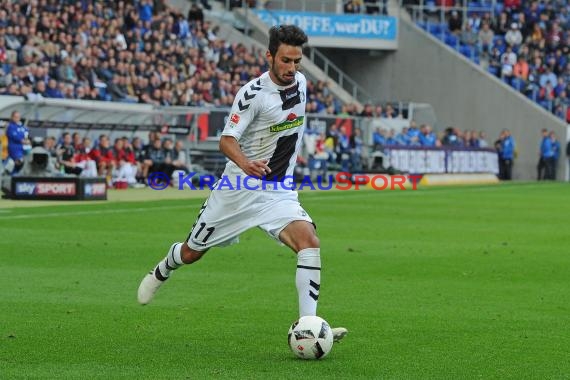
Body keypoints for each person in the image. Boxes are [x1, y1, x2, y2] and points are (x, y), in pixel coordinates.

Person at [137, 25, 347, 342]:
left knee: (309, 242)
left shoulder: (301, 83)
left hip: (278, 191)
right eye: (285, 60)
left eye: (296, 61)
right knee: (193, 252)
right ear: (269, 56)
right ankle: (164, 268)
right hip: (237, 191)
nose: (292, 68)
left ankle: (309, 324)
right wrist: (246, 163)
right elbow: (226, 141)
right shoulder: (253, 95)